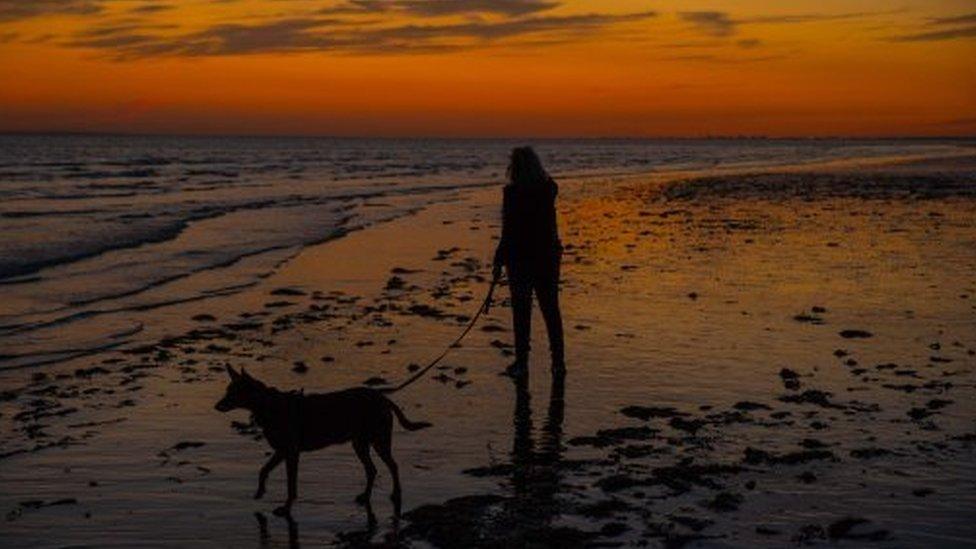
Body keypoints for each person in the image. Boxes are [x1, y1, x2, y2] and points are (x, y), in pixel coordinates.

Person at [492, 146, 565, 377]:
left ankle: (522, 364)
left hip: (520, 258)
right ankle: (558, 363)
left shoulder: (512, 194)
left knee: (522, 313)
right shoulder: (548, 190)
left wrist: (498, 259)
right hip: (547, 257)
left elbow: (509, 231)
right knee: (551, 310)